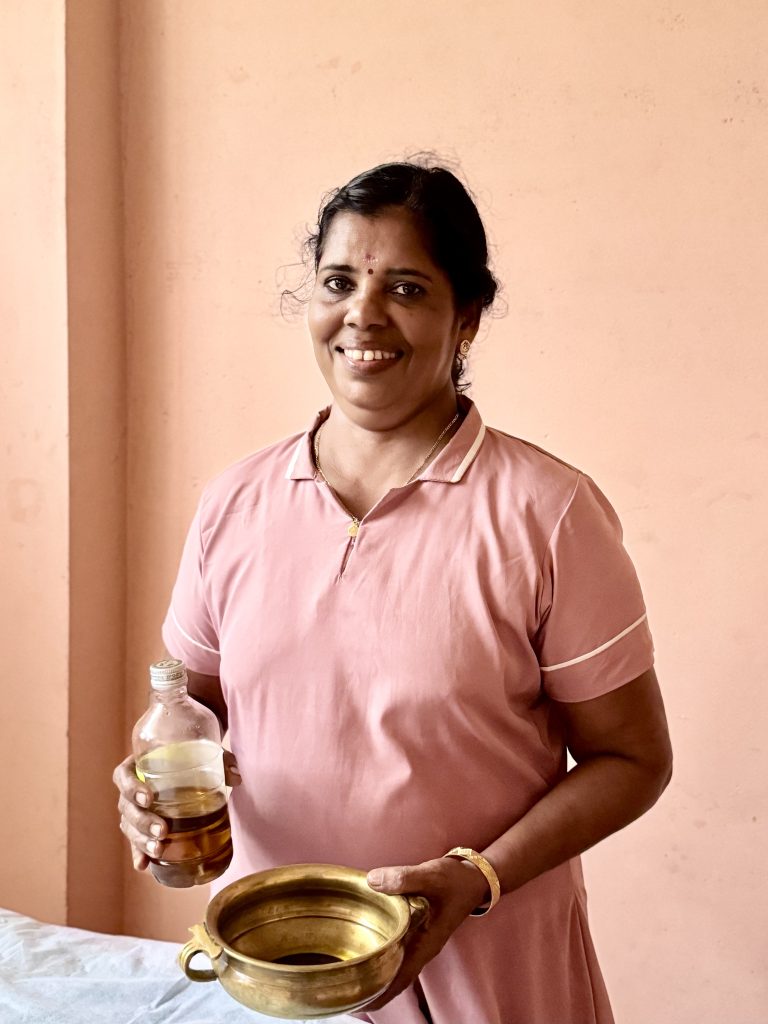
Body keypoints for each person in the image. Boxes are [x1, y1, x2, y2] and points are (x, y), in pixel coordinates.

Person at [114, 161, 673, 1024]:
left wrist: (473, 879)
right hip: (278, 973)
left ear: (467, 319)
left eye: (406, 287)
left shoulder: (546, 513)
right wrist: (153, 797)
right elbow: (194, 711)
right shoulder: (235, 502)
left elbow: (633, 760)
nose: (363, 315)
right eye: (339, 282)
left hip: (489, 969)